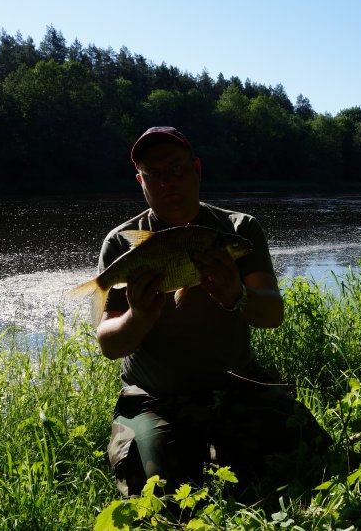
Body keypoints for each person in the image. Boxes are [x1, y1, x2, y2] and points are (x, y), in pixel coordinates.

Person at [96, 126, 331, 500]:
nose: (166, 182)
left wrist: (236, 296)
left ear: (197, 169)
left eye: (176, 168)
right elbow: (109, 344)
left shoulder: (239, 231)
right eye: (153, 175)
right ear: (140, 182)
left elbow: (272, 313)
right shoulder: (123, 242)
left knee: (311, 455)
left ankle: (223, 448)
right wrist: (137, 317)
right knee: (159, 491)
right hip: (154, 398)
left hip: (239, 387)